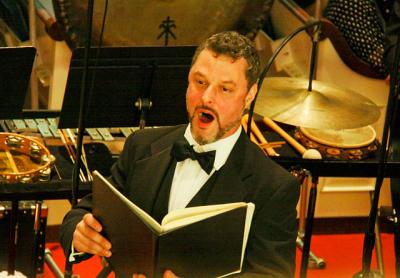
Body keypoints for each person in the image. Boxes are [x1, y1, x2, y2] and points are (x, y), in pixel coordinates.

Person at [60, 31, 300, 277]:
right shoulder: (141, 146)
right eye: (200, 82)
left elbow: (271, 274)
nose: (207, 98)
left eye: (225, 89)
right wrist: (80, 231)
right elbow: (85, 211)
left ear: (249, 95)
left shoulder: (274, 187)